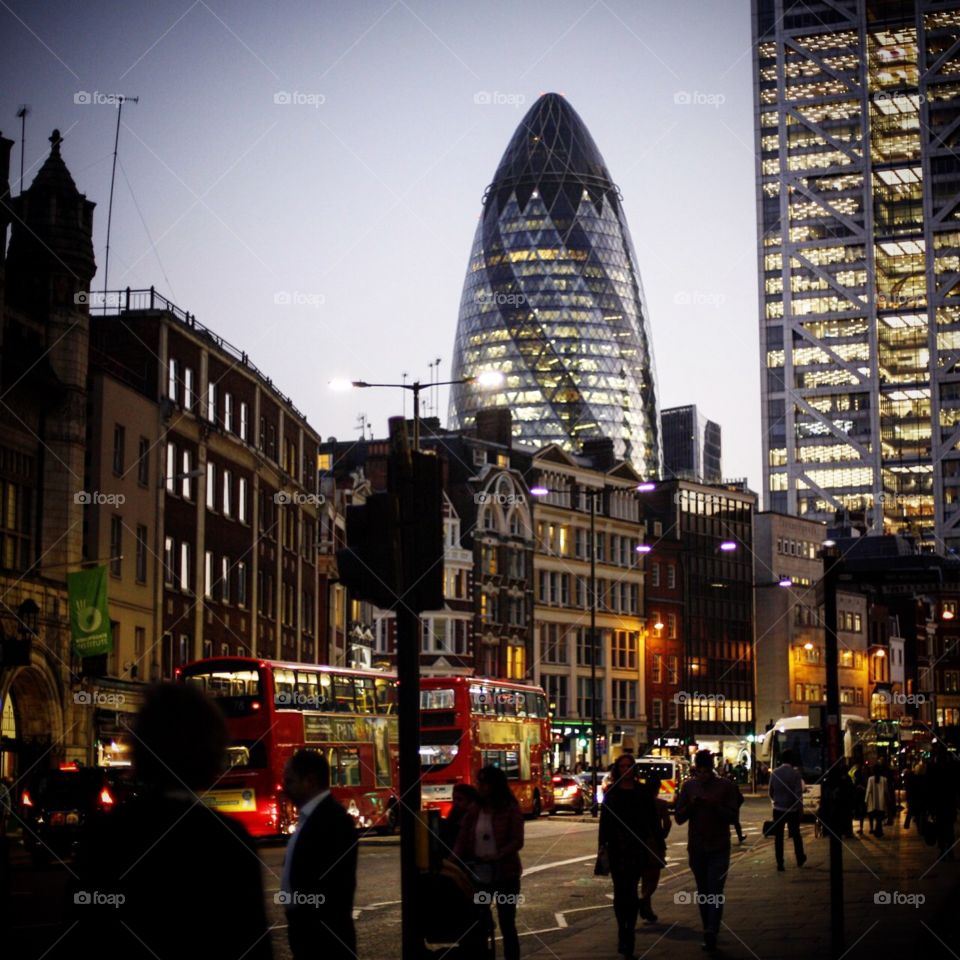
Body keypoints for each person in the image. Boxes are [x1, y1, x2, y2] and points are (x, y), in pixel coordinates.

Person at [55, 683, 273, 960]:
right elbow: (252, 945)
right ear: (211, 754)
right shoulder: (228, 839)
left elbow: (77, 934)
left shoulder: (106, 834)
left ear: (140, 750)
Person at [282, 749, 359, 960]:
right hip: (313, 936)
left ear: (310, 781)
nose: (284, 789)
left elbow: (334, 888)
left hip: (324, 942)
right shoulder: (311, 817)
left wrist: (303, 914)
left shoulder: (332, 820)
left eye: (290, 782)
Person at [454, 765, 524, 960]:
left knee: (507, 922)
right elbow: (463, 837)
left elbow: (517, 841)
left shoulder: (510, 808)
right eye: (480, 783)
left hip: (505, 874)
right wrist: (454, 860)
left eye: (485, 784)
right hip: (479, 874)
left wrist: (498, 855)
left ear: (495, 786)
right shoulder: (475, 809)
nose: (481, 787)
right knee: (479, 920)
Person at [675, 749, 741, 954]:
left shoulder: (726, 786)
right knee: (703, 892)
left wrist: (715, 806)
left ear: (712, 768)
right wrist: (691, 806)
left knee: (715, 889)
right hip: (697, 847)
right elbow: (679, 817)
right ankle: (708, 928)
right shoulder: (689, 787)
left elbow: (732, 817)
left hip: (719, 846)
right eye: (699, 771)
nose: (702, 775)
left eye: (706, 771)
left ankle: (712, 929)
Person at [598, 755, 660, 958]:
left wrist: (657, 846)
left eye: (629, 766)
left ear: (634, 769)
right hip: (617, 849)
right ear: (618, 769)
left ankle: (629, 932)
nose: (626, 769)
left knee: (631, 891)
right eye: (622, 766)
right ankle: (621, 930)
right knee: (620, 892)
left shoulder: (642, 792)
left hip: (636, 848)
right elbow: (604, 824)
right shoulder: (612, 794)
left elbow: (652, 821)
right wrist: (601, 847)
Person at [769, 748, 807, 870]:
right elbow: (798, 794)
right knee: (796, 834)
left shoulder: (775, 772)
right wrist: (800, 808)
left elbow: (771, 791)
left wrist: (776, 799)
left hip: (778, 808)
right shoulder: (795, 774)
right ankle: (800, 858)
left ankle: (780, 862)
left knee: (778, 837)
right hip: (792, 809)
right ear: (791, 759)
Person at [926, 742, 959, 862]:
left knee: (940, 826)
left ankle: (942, 849)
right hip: (948, 801)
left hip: (938, 802)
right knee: (949, 827)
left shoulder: (932, 766)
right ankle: (949, 849)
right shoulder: (953, 765)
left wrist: (930, 805)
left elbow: (929, 786)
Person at [439, 783, 480, 851]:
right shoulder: (454, 818)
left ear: (470, 801)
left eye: (459, 799)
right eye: (454, 799)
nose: (455, 802)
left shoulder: (473, 819)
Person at [865, 766, 889, 837]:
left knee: (876, 817)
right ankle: (879, 831)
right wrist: (888, 798)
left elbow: (868, 790)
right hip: (881, 802)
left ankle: (878, 831)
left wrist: (866, 800)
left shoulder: (870, 779)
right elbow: (886, 791)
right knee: (879, 817)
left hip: (873, 802)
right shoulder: (884, 779)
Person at [904, 760, 927, 832]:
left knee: (916, 814)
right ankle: (920, 828)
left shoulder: (912, 777)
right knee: (921, 813)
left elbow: (909, 788)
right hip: (921, 798)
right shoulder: (923, 778)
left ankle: (916, 827)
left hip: (914, 798)